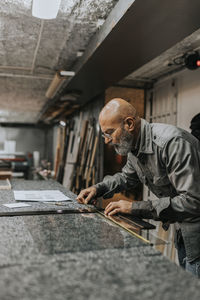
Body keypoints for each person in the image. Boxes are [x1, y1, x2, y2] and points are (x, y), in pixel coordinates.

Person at [77, 98, 200, 278]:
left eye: (109, 133)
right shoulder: (135, 146)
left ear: (129, 124)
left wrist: (134, 208)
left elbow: (193, 201)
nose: (106, 141)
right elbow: (126, 177)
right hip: (185, 232)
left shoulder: (171, 143)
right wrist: (98, 188)